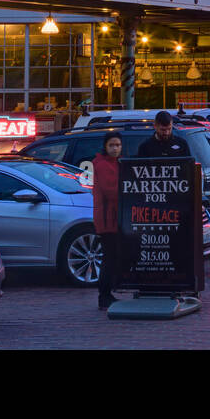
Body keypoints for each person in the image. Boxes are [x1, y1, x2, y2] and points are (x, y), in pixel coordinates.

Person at [91, 131, 123, 309]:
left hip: (113, 216)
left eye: (118, 145)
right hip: (107, 218)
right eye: (112, 145)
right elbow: (112, 190)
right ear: (105, 146)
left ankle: (107, 294)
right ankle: (104, 295)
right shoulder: (103, 164)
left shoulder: (116, 163)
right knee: (109, 258)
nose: (115, 148)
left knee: (112, 257)